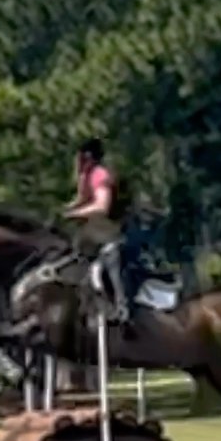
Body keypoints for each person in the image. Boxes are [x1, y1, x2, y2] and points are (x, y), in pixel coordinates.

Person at [63, 138, 131, 323]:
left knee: (109, 262)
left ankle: (121, 307)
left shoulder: (98, 175)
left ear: (87, 157)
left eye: (79, 158)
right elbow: (81, 199)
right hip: (92, 235)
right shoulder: (86, 177)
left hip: (108, 232)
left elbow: (102, 206)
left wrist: (75, 213)